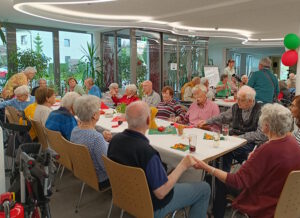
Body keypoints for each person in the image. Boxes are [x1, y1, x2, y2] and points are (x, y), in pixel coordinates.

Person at [193, 103, 300, 218]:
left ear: (267, 126)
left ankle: (217, 215)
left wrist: (206, 167)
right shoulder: (293, 142)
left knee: (218, 180)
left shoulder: (267, 150)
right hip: (287, 200)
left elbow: (237, 181)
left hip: (265, 202)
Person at [108, 101, 210, 218]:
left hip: (125, 197)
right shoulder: (148, 152)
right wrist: (183, 165)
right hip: (152, 206)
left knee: (169, 169)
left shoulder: (114, 141)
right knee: (204, 188)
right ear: (148, 121)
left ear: (126, 119)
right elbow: (161, 193)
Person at [198, 85, 268, 218]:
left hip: (249, 145)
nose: (237, 101)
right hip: (232, 142)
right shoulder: (236, 108)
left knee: (223, 157)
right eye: (238, 98)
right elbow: (223, 117)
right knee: (219, 152)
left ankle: (221, 187)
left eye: (241, 100)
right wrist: (206, 121)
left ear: (250, 101)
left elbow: (261, 135)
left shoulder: (260, 111)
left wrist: (240, 138)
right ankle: (218, 182)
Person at [70, 95, 110, 189]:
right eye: (98, 110)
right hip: (100, 179)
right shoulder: (96, 138)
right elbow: (107, 168)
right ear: (94, 115)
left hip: (83, 173)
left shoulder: (75, 130)